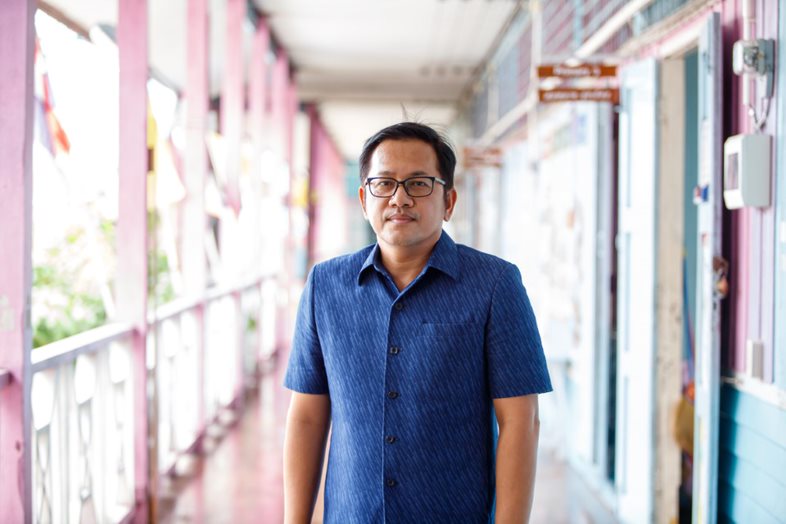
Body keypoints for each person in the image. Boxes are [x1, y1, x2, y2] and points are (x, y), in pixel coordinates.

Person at [283, 122, 552, 524]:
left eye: (419, 184)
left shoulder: (495, 285)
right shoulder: (325, 286)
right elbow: (307, 415)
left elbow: (520, 421)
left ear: (448, 201)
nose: (400, 198)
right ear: (364, 199)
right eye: (384, 183)